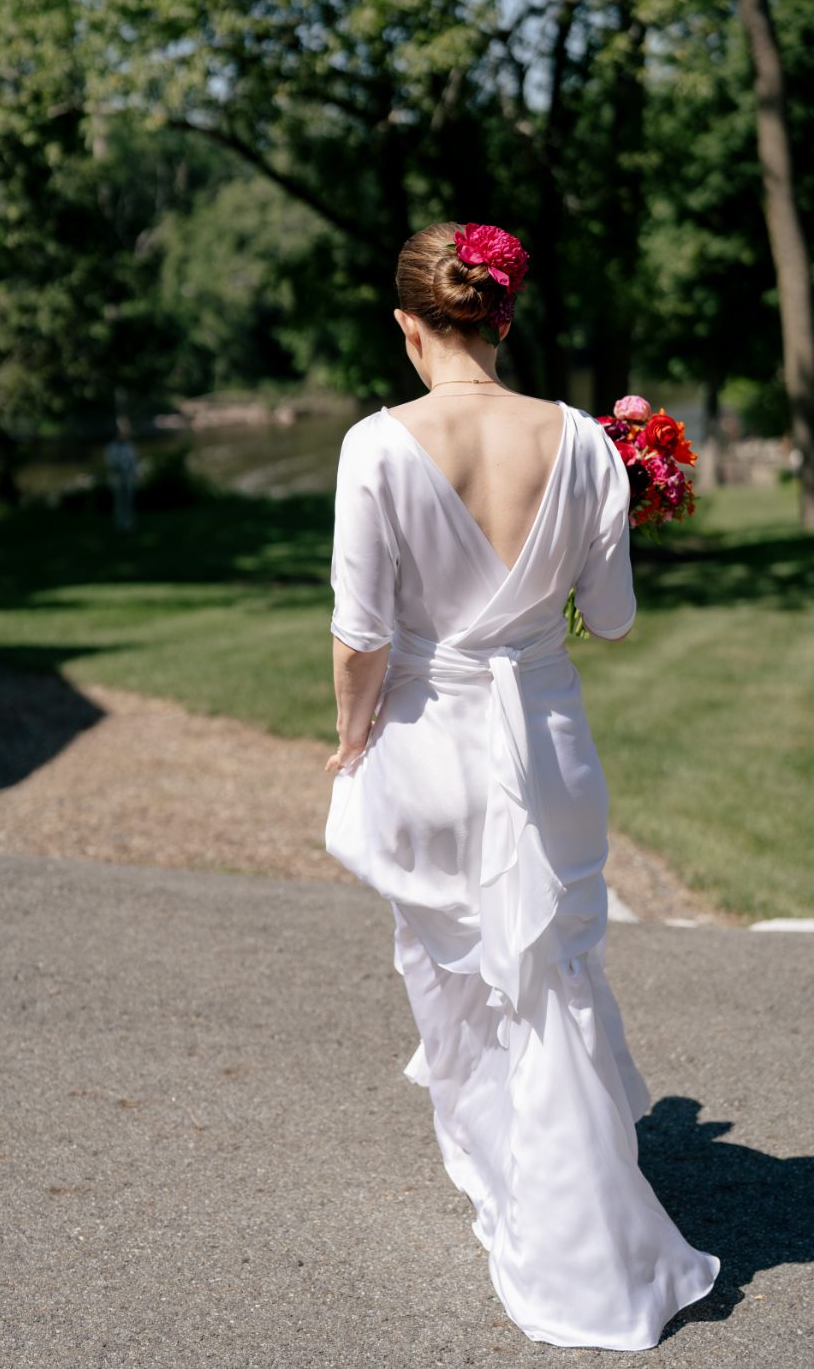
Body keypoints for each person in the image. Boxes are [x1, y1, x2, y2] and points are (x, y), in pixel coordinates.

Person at [323, 221, 719, 1351]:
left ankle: (535, 1213)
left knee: (456, 975)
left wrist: (350, 740)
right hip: (546, 747)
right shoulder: (587, 445)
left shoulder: (376, 445)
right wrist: (617, 493)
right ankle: (554, 1204)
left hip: (429, 743)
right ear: (504, 318)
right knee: (556, 972)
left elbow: (359, 636)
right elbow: (615, 618)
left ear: (410, 326)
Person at [104, 417, 140, 531]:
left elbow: (134, 461)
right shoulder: (111, 447)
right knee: (118, 500)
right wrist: (118, 468)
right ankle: (119, 521)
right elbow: (110, 462)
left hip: (129, 477)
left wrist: (134, 472)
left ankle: (128, 521)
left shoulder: (130, 446)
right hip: (117, 478)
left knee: (128, 499)